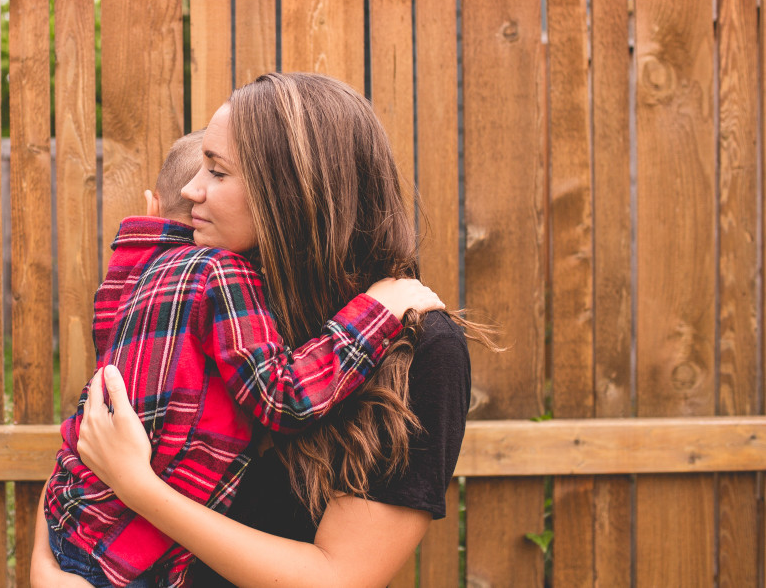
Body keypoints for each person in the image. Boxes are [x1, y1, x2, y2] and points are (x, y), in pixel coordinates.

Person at [35, 72, 479, 588]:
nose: (190, 189)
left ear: (290, 194)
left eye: (217, 172)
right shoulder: (211, 288)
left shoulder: (421, 349)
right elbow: (96, 425)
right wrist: (47, 570)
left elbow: (339, 578)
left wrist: (139, 487)